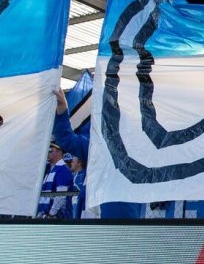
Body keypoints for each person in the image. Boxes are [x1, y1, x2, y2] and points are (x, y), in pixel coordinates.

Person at [52, 88, 142, 219]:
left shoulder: (139, 151)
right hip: (96, 224)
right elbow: (66, 139)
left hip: (125, 224)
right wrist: (62, 109)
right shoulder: (97, 149)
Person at [37, 142, 74, 219]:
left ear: (59, 152)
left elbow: (61, 195)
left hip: (58, 218)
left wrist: (51, 214)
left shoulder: (62, 170)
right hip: (46, 216)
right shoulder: (49, 170)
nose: (47, 153)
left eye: (50, 150)